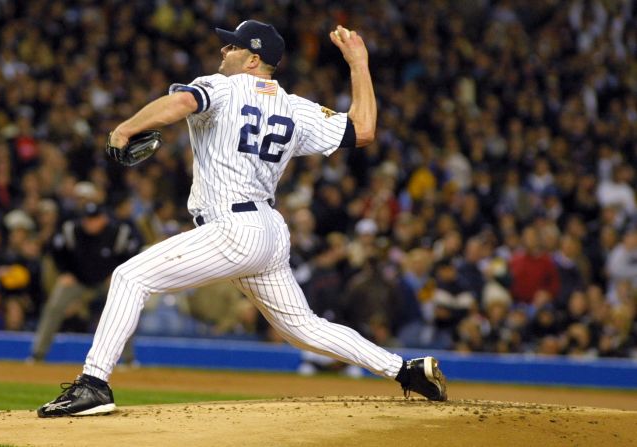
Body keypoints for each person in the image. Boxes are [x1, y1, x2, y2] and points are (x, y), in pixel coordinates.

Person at [38, 21, 447, 418]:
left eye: (233, 46)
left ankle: (94, 383)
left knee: (130, 277)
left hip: (232, 227)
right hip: (267, 230)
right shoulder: (295, 107)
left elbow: (182, 103)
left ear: (254, 59)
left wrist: (123, 129)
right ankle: (405, 370)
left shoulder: (222, 86)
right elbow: (363, 130)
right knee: (302, 326)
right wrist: (359, 63)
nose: (224, 50)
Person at [28, 201, 142, 362]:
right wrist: (65, 272)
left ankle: (129, 359)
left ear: (103, 219)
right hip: (77, 280)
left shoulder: (118, 233)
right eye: (87, 218)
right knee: (54, 307)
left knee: (124, 310)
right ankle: (37, 354)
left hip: (108, 281)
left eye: (94, 218)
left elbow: (132, 253)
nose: (90, 222)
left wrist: (119, 274)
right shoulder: (71, 230)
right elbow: (56, 251)